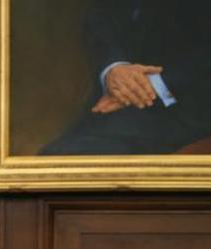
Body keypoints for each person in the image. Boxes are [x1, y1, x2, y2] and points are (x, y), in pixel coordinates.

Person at [39, 1, 211, 155]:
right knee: (51, 160)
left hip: (187, 104)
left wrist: (148, 86)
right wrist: (114, 68)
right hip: (116, 101)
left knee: (64, 159)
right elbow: (100, 15)